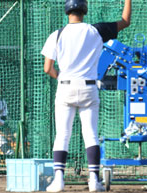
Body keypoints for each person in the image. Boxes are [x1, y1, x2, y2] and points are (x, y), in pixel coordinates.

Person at [41, 0, 131, 192]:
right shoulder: (95, 30)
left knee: (62, 135)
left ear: (67, 11)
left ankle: (58, 180)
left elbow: (47, 68)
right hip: (89, 87)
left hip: (65, 87)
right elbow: (125, 21)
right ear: (85, 10)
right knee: (90, 135)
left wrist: (61, 77)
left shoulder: (57, 34)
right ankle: (93, 180)